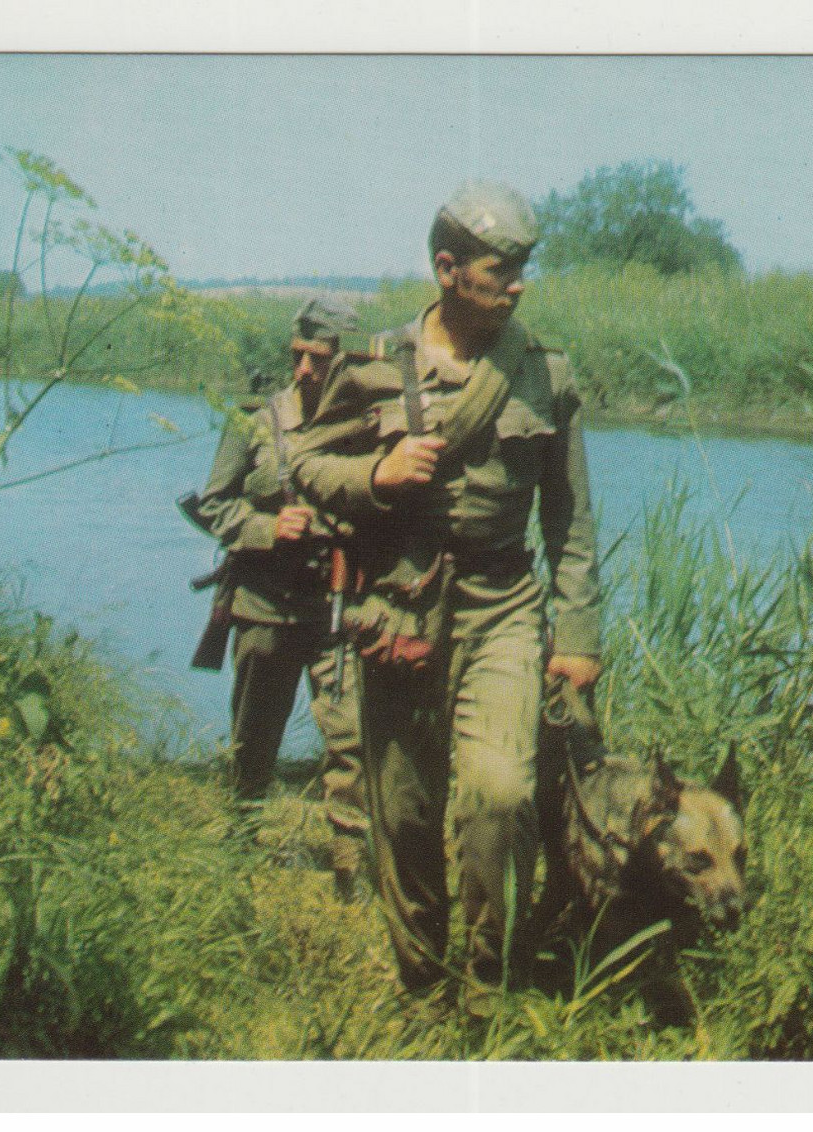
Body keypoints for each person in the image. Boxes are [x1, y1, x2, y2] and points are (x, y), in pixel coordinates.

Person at [290, 182, 603, 1010]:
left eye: (525, 268)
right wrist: (375, 475)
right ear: (446, 268)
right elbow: (305, 465)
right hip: (403, 607)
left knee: (501, 793)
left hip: (503, 604)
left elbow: (569, 517)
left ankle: (485, 983)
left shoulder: (545, 375)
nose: (520, 284)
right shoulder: (375, 365)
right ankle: (422, 986)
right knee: (404, 808)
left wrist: (578, 632)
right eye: (504, 268)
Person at [194, 296, 370, 896]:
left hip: (339, 605)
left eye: (317, 359)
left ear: (345, 363)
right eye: (296, 356)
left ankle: (352, 871)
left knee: (350, 739)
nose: (302, 370)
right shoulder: (255, 421)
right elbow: (214, 503)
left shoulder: (372, 426)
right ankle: (240, 853)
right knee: (254, 738)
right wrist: (270, 529)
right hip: (265, 605)